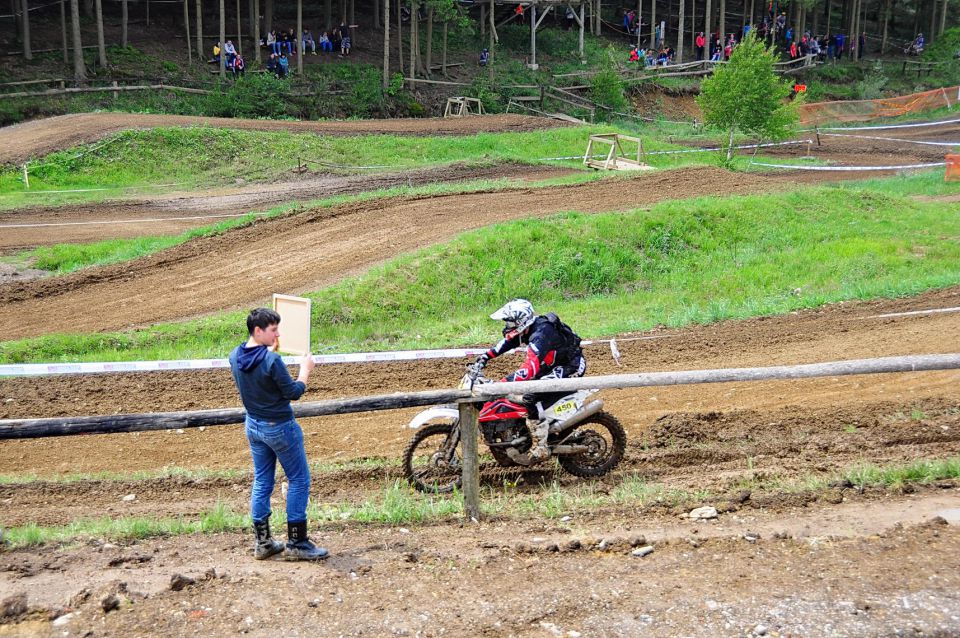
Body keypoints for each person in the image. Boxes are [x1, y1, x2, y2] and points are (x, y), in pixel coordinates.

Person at [229, 308, 327, 561]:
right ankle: (297, 542)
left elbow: (257, 374)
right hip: (280, 427)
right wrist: (306, 370)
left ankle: (263, 543)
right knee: (299, 479)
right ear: (258, 331)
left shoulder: (235, 356)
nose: (278, 334)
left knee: (262, 481)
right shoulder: (272, 361)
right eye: (273, 329)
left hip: (253, 425)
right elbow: (293, 392)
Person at [474, 299, 585, 464]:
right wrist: (486, 356)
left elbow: (529, 368)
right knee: (514, 387)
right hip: (552, 365)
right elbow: (507, 343)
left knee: (530, 396)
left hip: (570, 367)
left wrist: (503, 384)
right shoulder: (527, 329)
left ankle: (541, 446)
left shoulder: (541, 334)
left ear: (520, 321)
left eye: (509, 321)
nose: (507, 325)